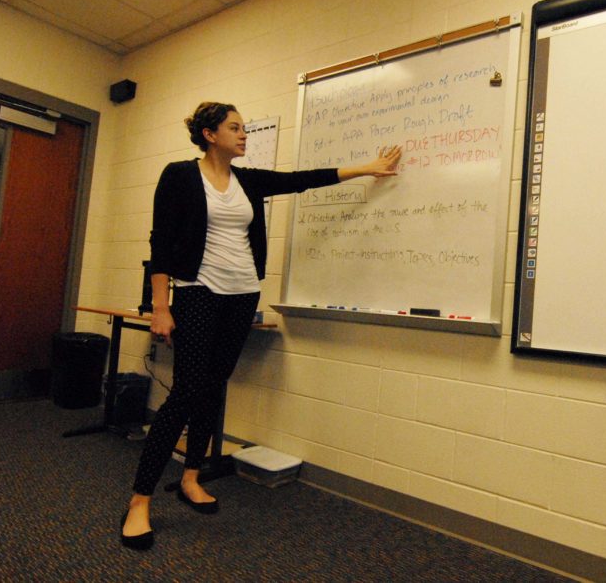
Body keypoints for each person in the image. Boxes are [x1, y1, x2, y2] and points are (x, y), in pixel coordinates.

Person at [121, 102, 402, 550]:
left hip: (242, 296)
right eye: (235, 128)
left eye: (245, 128)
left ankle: (192, 476)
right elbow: (161, 239)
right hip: (197, 294)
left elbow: (301, 180)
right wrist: (161, 305)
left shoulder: (246, 181)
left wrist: (368, 168)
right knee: (185, 393)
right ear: (210, 134)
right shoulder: (179, 175)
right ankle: (140, 501)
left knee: (214, 387)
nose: (244, 135)